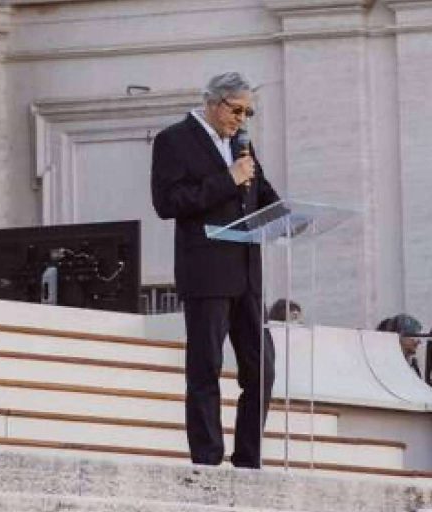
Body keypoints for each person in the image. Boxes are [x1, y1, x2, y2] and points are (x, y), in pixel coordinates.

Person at [150, 72, 280, 468]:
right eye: (236, 109)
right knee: (205, 370)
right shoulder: (174, 140)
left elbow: (262, 194)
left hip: (247, 274)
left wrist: (288, 214)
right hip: (206, 272)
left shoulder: (242, 144)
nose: (241, 119)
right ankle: (207, 459)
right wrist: (228, 179)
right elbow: (168, 202)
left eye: (248, 112)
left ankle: (248, 460)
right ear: (213, 102)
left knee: (262, 370)